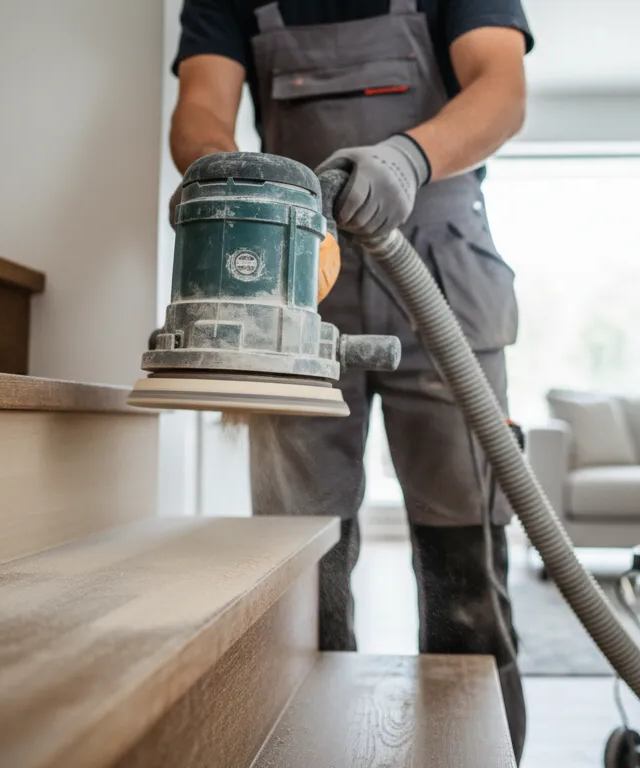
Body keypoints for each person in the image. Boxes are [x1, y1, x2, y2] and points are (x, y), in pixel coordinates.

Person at [169, 0, 532, 755]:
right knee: (303, 560)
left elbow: (500, 86)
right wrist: (232, 177)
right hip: (297, 269)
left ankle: (470, 755)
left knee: (463, 561)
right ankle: (312, 749)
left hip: (441, 267)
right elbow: (201, 105)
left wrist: (406, 158)